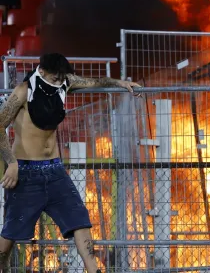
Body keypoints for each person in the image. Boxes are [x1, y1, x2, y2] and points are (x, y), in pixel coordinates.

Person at [0, 53, 140, 272]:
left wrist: (119, 82)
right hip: (26, 171)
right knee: (11, 232)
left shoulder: (65, 82)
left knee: (78, 218)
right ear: (43, 71)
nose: (58, 82)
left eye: (61, 78)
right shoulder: (24, 90)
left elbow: (95, 82)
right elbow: (0, 125)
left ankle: (94, 269)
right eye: (54, 78)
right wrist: (12, 163)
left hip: (55, 170)